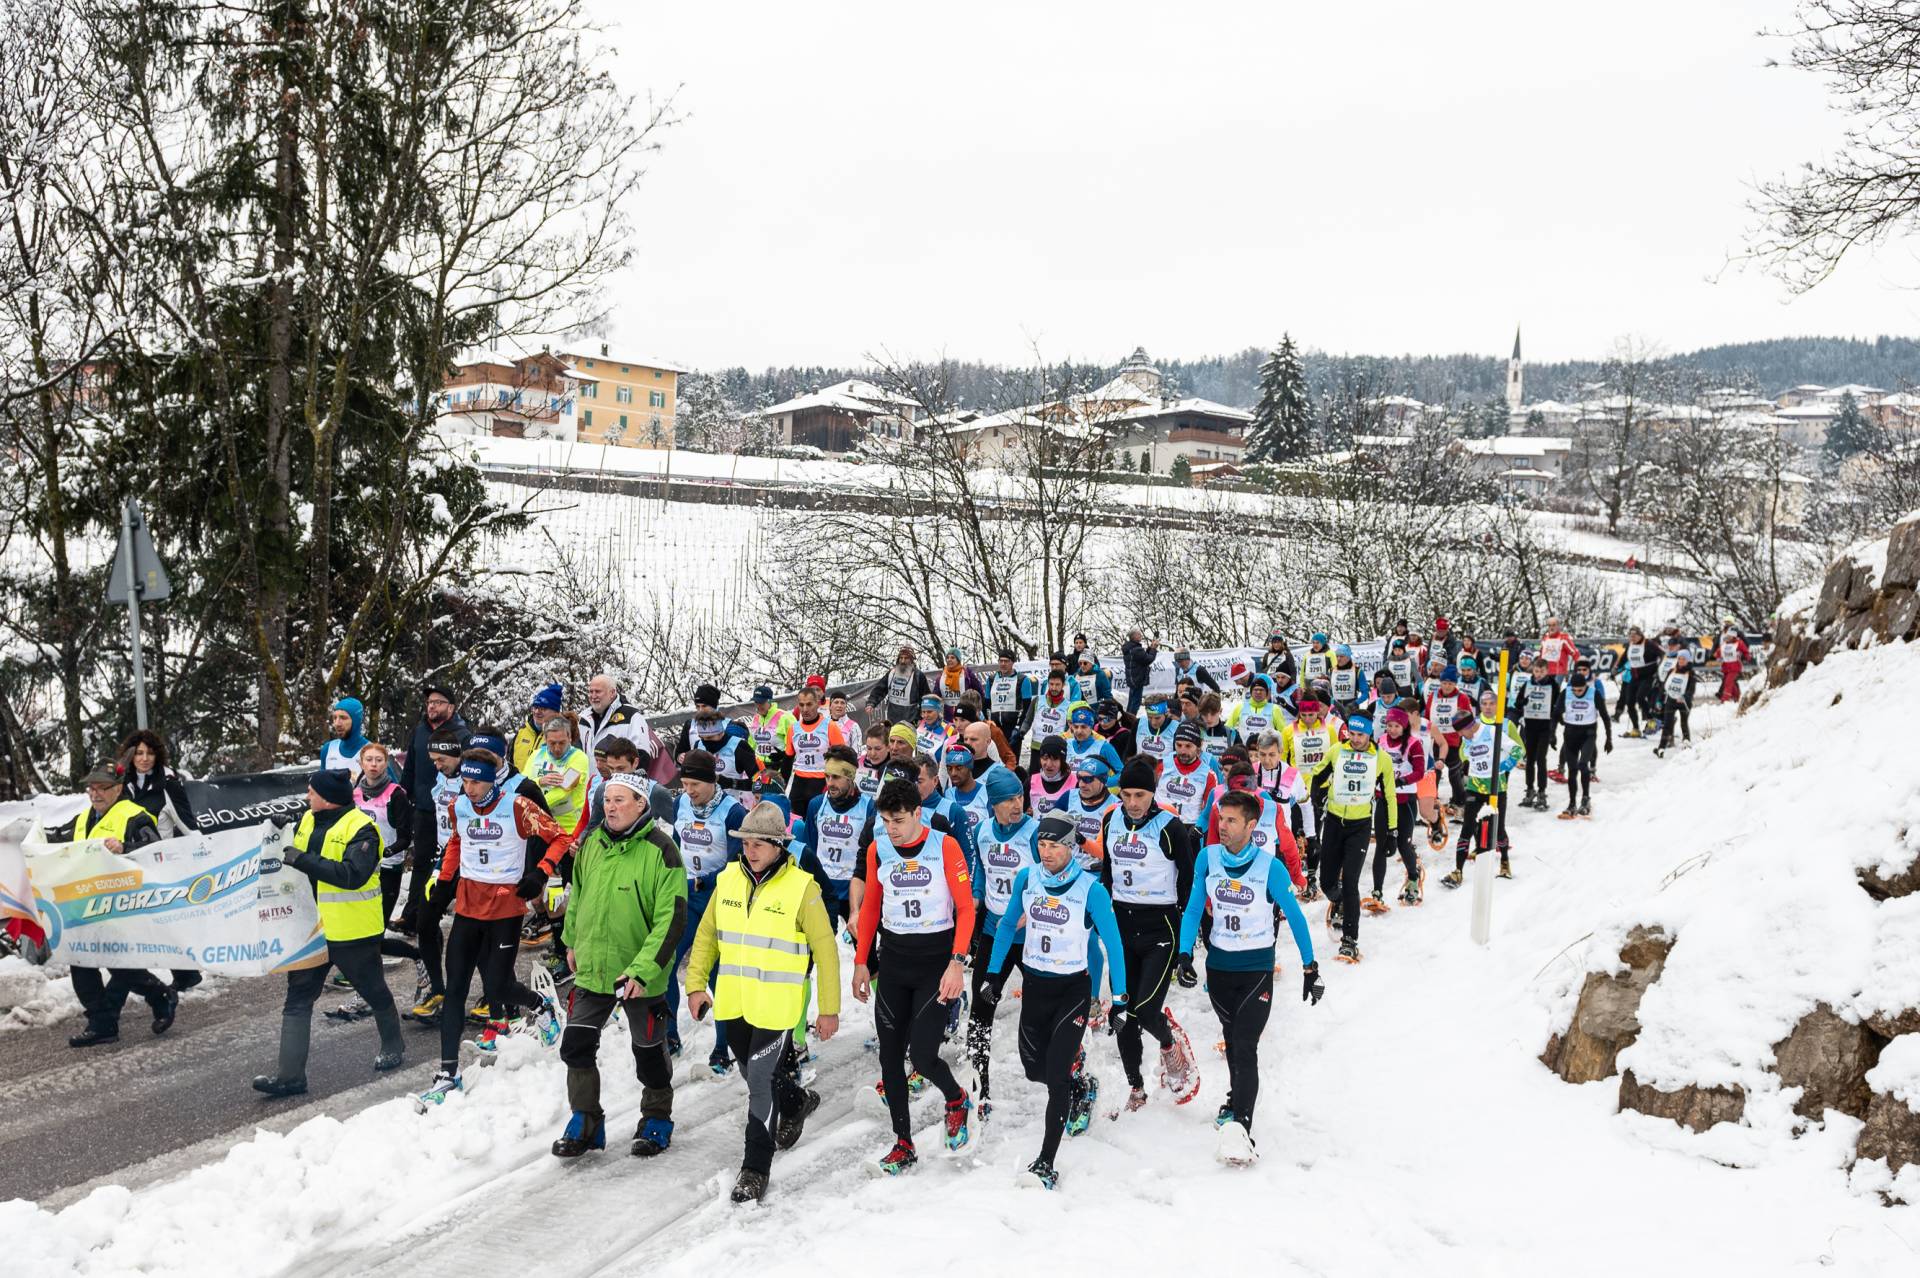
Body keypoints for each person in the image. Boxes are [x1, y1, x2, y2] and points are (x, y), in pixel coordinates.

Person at [679, 802, 841, 1201]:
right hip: (735, 1002)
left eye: (759, 844)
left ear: (779, 847)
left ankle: (754, 1168)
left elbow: (826, 952)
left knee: (759, 1084)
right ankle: (798, 1100)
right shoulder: (729, 879)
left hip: (777, 1006)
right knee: (754, 1074)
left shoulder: (803, 888)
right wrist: (696, 984)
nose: (750, 850)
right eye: (746, 842)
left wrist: (828, 1008)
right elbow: (706, 937)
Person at [415, 748, 571, 1109]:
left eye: (475, 781)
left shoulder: (517, 806)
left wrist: (541, 872)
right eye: (465, 781)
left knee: (497, 986)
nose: (468, 788)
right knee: (455, 988)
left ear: (492, 778)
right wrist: (444, 881)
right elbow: (456, 840)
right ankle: (446, 1073)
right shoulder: (460, 807)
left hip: (505, 905)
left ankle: (540, 1005)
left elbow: (560, 838)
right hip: (469, 906)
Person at [982, 812, 1128, 1190]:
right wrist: (994, 976)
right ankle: (1081, 1081)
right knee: (1035, 1069)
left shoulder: (1091, 890)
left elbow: (1112, 945)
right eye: (1042, 845)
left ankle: (1045, 1162)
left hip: (1071, 991)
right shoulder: (1027, 878)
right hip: (1035, 986)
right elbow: (1004, 925)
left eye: (1055, 846)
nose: (1046, 853)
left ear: (1071, 847)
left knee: (1056, 1078)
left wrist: (1119, 997)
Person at [1177, 790, 1323, 1166]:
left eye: (1230, 821)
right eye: (1220, 819)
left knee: (1245, 1046)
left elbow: (1295, 915)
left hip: (1256, 969)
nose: (1222, 827)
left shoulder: (1269, 867)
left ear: (1251, 825)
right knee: (1231, 1038)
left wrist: (1311, 967)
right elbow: (1195, 906)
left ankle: (1242, 1126)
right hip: (1220, 968)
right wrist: (1185, 953)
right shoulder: (1208, 859)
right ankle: (1235, 1098)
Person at [551, 773, 686, 1161]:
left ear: (641, 805)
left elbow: (671, 920)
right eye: (606, 800)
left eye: (619, 800)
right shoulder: (593, 843)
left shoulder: (663, 851)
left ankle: (657, 1116)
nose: (610, 807)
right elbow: (579, 895)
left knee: (648, 1051)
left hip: (641, 975)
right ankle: (586, 1119)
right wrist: (571, 940)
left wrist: (642, 971)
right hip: (594, 967)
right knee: (575, 1046)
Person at [252, 770, 405, 1096]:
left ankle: (393, 1045)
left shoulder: (362, 828)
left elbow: (352, 875)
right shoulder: (308, 818)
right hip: (311, 929)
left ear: (327, 797)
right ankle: (290, 1076)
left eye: (311, 792)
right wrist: (280, 829)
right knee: (297, 1000)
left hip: (352, 932)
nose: (307, 797)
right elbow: (294, 840)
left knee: (374, 992)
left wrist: (301, 859)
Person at [851, 777, 977, 1175]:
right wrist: (860, 961)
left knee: (922, 1056)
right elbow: (871, 907)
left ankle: (956, 1099)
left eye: (899, 820)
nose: (892, 828)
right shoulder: (878, 849)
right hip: (894, 961)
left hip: (935, 962)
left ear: (917, 813)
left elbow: (966, 909)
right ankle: (903, 1143)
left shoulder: (945, 845)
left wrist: (957, 962)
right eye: (886, 820)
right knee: (889, 1058)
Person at [57, 762, 182, 1047]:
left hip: (125, 906)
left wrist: (125, 848)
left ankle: (158, 996)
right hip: (87, 903)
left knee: (119, 964)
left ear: (118, 788)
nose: (95, 793)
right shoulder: (82, 819)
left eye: (102, 788)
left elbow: (157, 852)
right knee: (80, 959)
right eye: (91, 787)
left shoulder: (134, 816)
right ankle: (103, 1023)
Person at [1102, 756, 1199, 1113]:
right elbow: (1108, 872)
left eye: (1139, 794)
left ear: (1152, 793)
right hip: (1123, 925)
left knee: (1144, 1009)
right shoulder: (1111, 819)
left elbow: (1189, 880)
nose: (1132, 803)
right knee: (1123, 1011)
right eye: (1126, 794)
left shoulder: (1169, 827)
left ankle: (1170, 1044)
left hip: (1162, 927)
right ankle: (1136, 1087)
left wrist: (1190, 938)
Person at [665, 749, 744, 1070]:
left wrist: (706, 880)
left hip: (716, 897)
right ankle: (669, 1035)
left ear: (712, 781)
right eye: (684, 783)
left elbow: (740, 861)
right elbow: (674, 842)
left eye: (695, 784)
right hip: (685, 896)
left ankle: (723, 1046)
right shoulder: (680, 803)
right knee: (665, 964)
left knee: (716, 974)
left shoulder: (733, 811)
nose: (689, 791)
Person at [1319, 715, 1396, 963]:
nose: (1355, 739)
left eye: (1360, 735)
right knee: (1327, 882)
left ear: (1369, 735)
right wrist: (1314, 797)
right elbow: (1318, 778)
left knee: (1350, 881)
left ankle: (1350, 941)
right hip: (1333, 822)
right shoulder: (1336, 751)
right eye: (1352, 734)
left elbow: (1390, 796)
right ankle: (1339, 901)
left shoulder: (1381, 758)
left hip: (1360, 826)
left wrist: (1392, 830)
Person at [407, 733, 465, 1022]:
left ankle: (489, 993)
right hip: (444, 860)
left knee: (470, 933)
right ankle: (436, 989)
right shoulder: (439, 780)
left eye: (442, 760)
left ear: (457, 754)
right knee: (424, 921)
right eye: (433, 761)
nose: (437, 765)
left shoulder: (472, 781)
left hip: (469, 862)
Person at [1441, 688, 1524, 888]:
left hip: (1496, 788)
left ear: (1470, 726)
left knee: (1499, 829)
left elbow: (1517, 749)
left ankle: (1504, 862)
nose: (1461, 736)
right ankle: (1457, 871)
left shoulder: (1492, 731)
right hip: (1475, 787)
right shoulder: (1467, 738)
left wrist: (1503, 767)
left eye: (1461, 732)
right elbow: (1467, 756)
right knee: (1467, 827)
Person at [400, 684, 466, 932]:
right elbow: (410, 767)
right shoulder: (419, 731)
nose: (432, 706)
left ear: (451, 707)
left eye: (438, 702)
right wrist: (404, 796)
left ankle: (436, 910)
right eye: (429, 702)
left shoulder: (460, 734)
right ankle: (412, 914)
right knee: (421, 862)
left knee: (449, 863)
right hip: (424, 808)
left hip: (453, 812)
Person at [792, 745, 874, 928]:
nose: (830, 783)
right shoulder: (816, 804)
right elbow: (810, 849)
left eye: (836, 777)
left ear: (851, 776)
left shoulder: (869, 807)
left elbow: (872, 854)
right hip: (823, 889)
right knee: (819, 949)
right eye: (827, 776)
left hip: (854, 891)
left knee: (863, 953)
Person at [1373, 708, 1426, 908]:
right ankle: (1377, 891)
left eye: (1397, 726)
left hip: (1404, 800)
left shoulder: (1413, 744)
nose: (1393, 730)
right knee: (1381, 844)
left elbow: (1420, 772)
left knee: (1403, 844)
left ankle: (1413, 878)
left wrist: (1401, 781)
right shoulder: (1381, 742)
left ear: (1404, 726)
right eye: (1390, 725)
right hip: (1384, 799)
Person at [1558, 658, 1613, 817]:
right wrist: (1557, 724)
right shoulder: (1568, 691)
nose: (1577, 693)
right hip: (1571, 733)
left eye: (1580, 690)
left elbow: (1604, 715)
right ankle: (1572, 803)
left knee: (1583, 765)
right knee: (1572, 769)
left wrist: (1609, 739)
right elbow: (1556, 711)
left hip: (1589, 732)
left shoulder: (1594, 689)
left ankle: (1585, 798)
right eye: (1574, 690)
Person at [117, 729, 195, 838]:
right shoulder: (121, 785)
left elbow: (190, 828)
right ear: (131, 755)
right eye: (139, 753)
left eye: (150, 753)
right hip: (124, 851)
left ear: (157, 755)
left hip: (159, 852)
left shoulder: (169, 785)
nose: (145, 759)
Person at [783, 683, 844, 816]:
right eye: (801, 704)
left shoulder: (830, 726)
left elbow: (843, 758)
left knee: (817, 824)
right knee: (796, 825)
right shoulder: (793, 729)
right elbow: (787, 760)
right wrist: (781, 787)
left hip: (822, 781)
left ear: (817, 704)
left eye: (809, 704)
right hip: (799, 783)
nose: (805, 709)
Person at [530, 712, 592, 837]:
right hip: (539, 828)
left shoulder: (579, 758)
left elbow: (563, 790)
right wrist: (539, 781)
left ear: (569, 738)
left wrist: (532, 807)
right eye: (552, 743)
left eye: (562, 743)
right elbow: (523, 782)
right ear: (545, 739)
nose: (557, 748)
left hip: (568, 829)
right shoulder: (536, 755)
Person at [1510, 655, 1559, 811]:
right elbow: (1517, 703)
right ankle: (1530, 789)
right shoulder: (1527, 684)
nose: (1538, 674)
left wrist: (1553, 731)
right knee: (1530, 759)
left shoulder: (1553, 685)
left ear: (1547, 670)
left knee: (1541, 759)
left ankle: (1542, 792)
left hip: (1545, 726)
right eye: (1536, 671)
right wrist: (1522, 703)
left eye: (1541, 671)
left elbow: (1557, 707)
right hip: (1530, 725)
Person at [1155, 722, 1220, 832]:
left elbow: (1209, 811)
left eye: (1188, 746)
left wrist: (1199, 829)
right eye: (1179, 745)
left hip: (1188, 828)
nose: (1183, 751)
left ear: (1198, 747)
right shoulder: (1162, 765)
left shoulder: (1208, 775)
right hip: (1160, 824)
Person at [580, 673, 650, 759]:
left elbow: (641, 755)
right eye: (591, 692)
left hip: (617, 772)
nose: (593, 696)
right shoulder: (583, 718)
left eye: (598, 691)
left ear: (612, 693)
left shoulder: (631, 716)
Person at [1020, 670, 1076, 767]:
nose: (1054, 688)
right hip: (1037, 746)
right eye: (1051, 684)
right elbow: (1027, 720)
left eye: (1057, 684)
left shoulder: (1069, 706)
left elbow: (1069, 729)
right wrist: (1021, 732)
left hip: (1056, 747)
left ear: (1063, 685)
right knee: (1035, 777)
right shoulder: (1037, 700)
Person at [867, 645, 931, 724]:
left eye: (906, 658)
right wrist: (871, 703)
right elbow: (879, 690)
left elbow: (926, 697)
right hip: (892, 719)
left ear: (911, 660)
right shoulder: (891, 673)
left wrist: (923, 717)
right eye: (901, 658)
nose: (903, 661)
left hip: (911, 720)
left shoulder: (918, 676)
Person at [1654, 648, 1697, 758]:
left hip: (1684, 703)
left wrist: (1684, 697)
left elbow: (1691, 691)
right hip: (1671, 701)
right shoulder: (1671, 671)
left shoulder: (1691, 673)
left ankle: (1686, 742)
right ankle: (1661, 748)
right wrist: (1659, 700)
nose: (1681, 661)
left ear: (1688, 661)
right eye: (1679, 659)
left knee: (1683, 723)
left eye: (1684, 659)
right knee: (1667, 725)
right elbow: (1663, 688)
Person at [1616, 627, 1658, 738]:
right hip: (1635, 677)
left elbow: (1662, 654)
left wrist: (1660, 669)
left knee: (1640, 697)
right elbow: (1624, 658)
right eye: (1630, 636)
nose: (1632, 638)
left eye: (1634, 636)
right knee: (1629, 702)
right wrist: (1616, 668)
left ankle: (1651, 720)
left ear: (1640, 635)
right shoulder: (1631, 645)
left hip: (1648, 676)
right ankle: (1636, 728)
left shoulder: (1648, 644)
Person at [514, 683, 564, 774]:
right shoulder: (522, 732)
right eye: (535, 707)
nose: (537, 712)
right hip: (518, 786)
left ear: (555, 712)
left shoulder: (564, 736)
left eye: (543, 709)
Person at [320, 696, 371, 776]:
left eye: (343, 718)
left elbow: (392, 787)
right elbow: (319, 786)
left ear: (356, 721)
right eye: (334, 718)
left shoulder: (373, 753)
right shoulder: (328, 749)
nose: (337, 723)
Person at [1028, 734, 1076, 815]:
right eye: (1045, 758)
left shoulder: (1076, 782)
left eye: (1055, 759)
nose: (1049, 764)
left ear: (1063, 761)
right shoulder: (1032, 781)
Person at [1121, 629, 1159, 715]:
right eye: (1139, 635)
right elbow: (1148, 659)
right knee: (1135, 703)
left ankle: (1127, 718)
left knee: (1131, 701)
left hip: (1133, 679)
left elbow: (1143, 657)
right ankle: (1131, 720)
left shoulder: (1130, 648)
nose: (1141, 636)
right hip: (1138, 678)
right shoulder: (1136, 650)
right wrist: (1153, 649)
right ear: (1134, 637)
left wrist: (1150, 648)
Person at [1716, 620, 1751, 703]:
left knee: (1728, 682)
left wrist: (1747, 657)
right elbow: (1718, 652)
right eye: (1727, 636)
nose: (1727, 637)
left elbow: (1746, 652)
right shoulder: (1724, 644)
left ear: (1733, 637)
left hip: (1735, 667)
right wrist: (1718, 657)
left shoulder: (1739, 643)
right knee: (1732, 683)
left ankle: (1725, 700)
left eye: (1729, 636)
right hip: (1726, 667)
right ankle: (1737, 697)